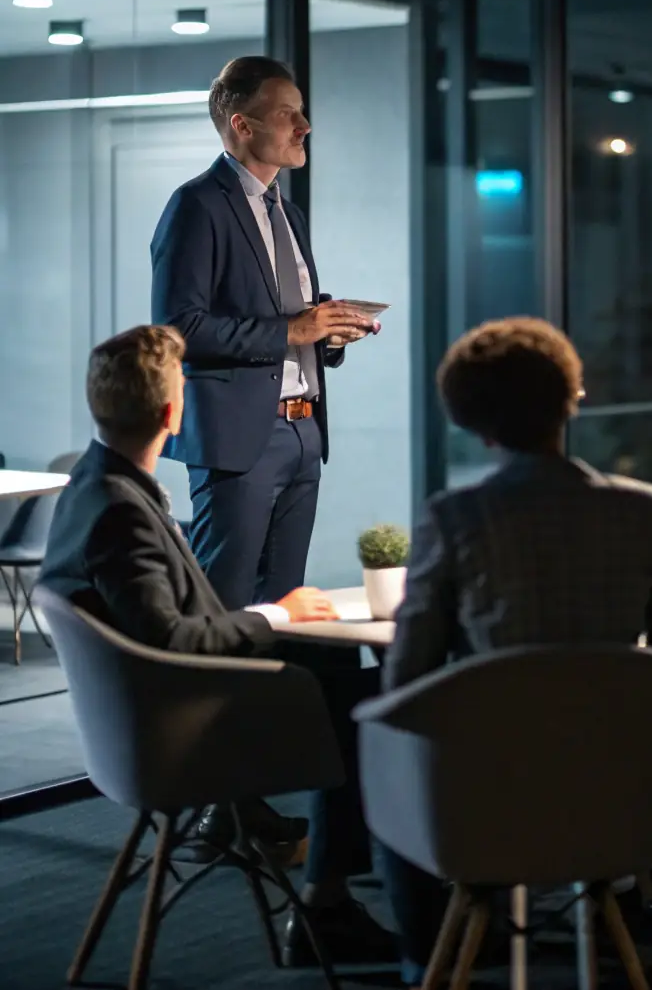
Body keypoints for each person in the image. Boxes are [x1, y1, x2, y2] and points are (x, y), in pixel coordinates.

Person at [40, 325, 394, 969]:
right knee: (376, 704)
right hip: (179, 729)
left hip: (141, 713)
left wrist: (281, 620)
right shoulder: (120, 510)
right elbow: (172, 636)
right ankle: (331, 897)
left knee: (332, 656)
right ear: (176, 413)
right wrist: (271, 614)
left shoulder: (95, 485)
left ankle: (340, 864)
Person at [381, 316, 652, 985]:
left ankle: (422, 958)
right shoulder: (642, 511)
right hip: (624, 806)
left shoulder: (454, 518)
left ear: (472, 420)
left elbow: (404, 679)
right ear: (571, 398)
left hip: (485, 810)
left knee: (381, 741)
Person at [151, 55, 376, 612]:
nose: (304, 128)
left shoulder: (289, 214)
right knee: (225, 605)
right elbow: (178, 329)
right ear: (242, 126)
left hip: (304, 434)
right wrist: (295, 327)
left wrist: (328, 334)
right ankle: (205, 700)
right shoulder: (196, 205)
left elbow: (285, 322)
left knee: (286, 606)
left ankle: (270, 702)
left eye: (302, 114)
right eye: (288, 115)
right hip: (238, 440)